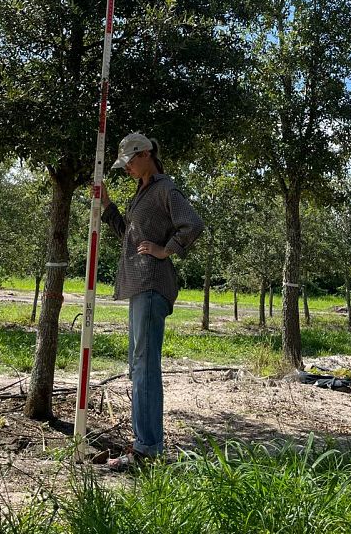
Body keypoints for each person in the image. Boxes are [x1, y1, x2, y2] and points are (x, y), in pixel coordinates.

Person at [99, 131, 204, 470]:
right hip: (138, 285)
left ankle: (146, 451)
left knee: (144, 368)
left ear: (145, 154)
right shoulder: (142, 192)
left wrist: (167, 250)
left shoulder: (164, 189)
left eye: (129, 160)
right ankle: (146, 446)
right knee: (138, 366)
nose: (126, 167)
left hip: (151, 283)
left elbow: (193, 224)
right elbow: (129, 236)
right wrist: (108, 207)